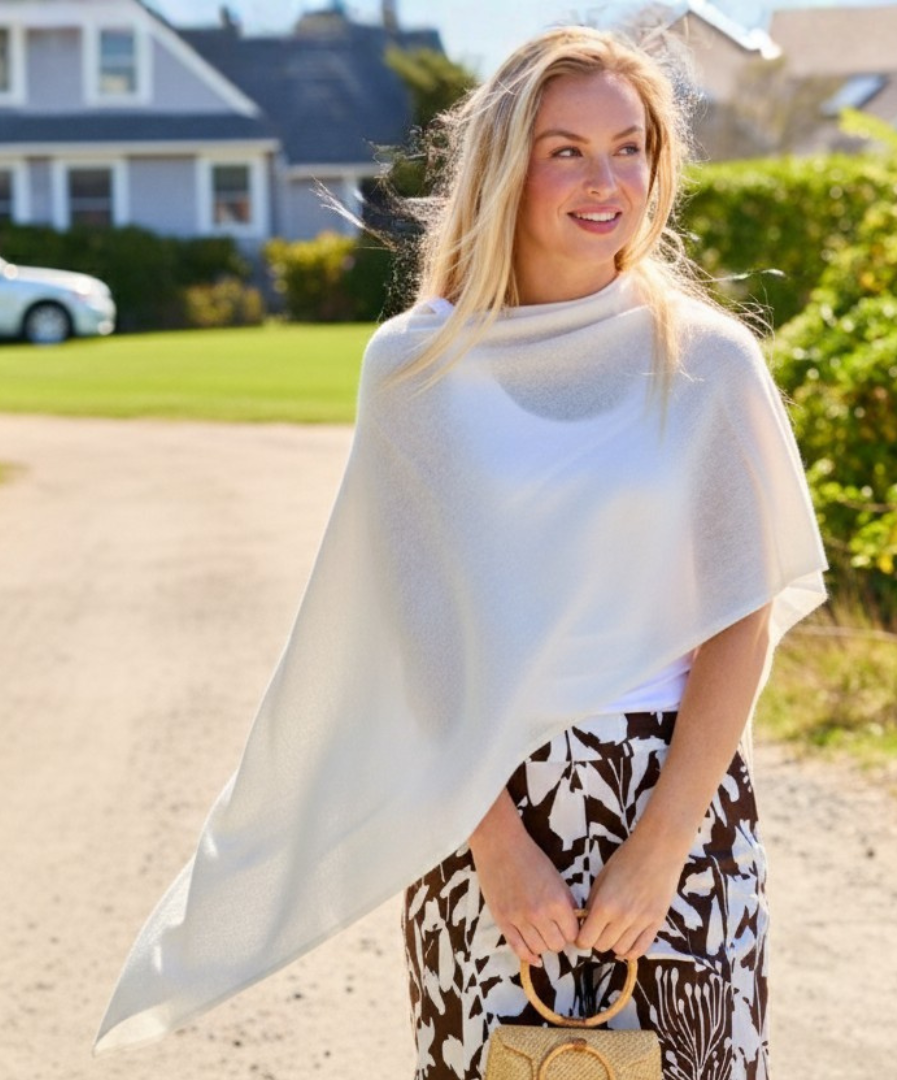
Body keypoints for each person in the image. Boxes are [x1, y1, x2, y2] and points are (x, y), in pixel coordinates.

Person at [94, 25, 827, 1080]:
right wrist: (497, 844)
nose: (605, 178)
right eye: (565, 148)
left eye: (630, 147)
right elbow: (413, 629)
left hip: (675, 804)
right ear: (505, 164)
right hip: (480, 808)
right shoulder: (416, 368)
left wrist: (662, 847)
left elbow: (739, 617)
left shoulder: (708, 362)